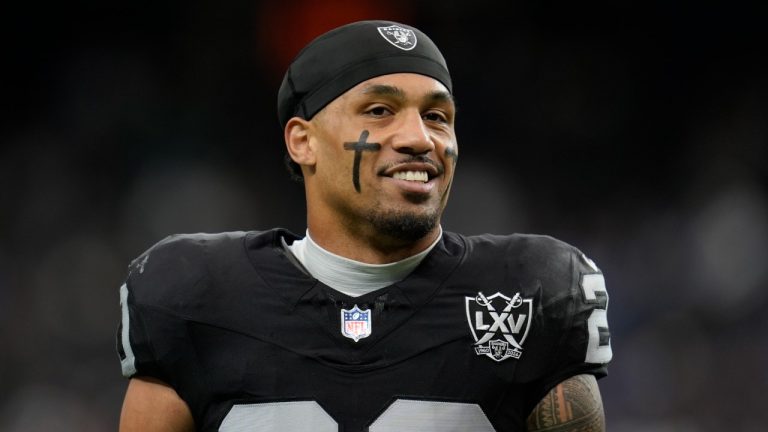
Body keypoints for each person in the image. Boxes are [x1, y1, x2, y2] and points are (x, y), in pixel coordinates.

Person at [117, 20, 612, 432]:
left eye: (438, 116)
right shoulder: (194, 294)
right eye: (380, 111)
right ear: (302, 142)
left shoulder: (533, 289)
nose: (420, 139)